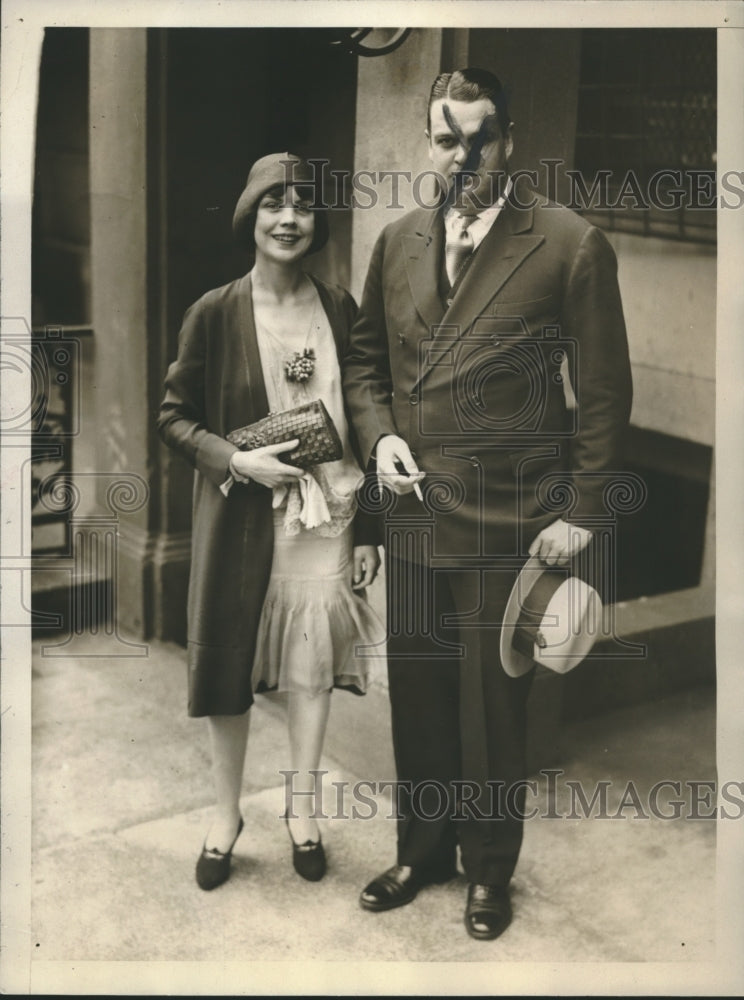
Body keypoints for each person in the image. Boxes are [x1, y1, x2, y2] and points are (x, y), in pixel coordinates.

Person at [343, 68, 632, 939]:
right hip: (416, 514)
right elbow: (366, 365)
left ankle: (488, 869)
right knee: (421, 697)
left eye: (482, 137)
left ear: (508, 142)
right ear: (428, 143)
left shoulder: (569, 243)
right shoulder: (396, 241)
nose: (464, 155)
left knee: (493, 711)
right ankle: (422, 850)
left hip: (513, 526)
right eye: (447, 137)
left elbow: (607, 390)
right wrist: (379, 435)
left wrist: (583, 510)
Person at [158, 152, 383, 889]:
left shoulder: (342, 308)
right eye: (272, 205)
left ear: (317, 222)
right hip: (245, 519)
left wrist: (372, 529)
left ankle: (302, 811)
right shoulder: (215, 312)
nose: (289, 218)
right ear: (251, 218)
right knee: (230, 666)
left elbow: (371, 414)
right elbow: (173, 417)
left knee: (310, 670)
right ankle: (226, 817)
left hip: (327, 522)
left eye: (303, 206)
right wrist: (235, 460)